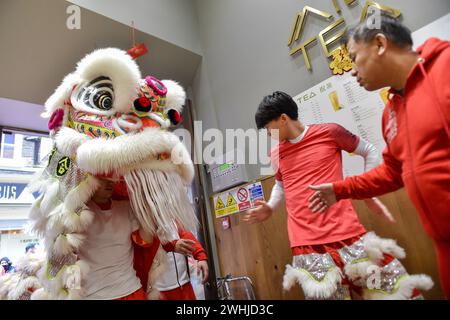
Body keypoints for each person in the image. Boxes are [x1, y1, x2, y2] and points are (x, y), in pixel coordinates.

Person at [308, 13, 450, 298]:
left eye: (354, 57)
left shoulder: (445, 67)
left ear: (380, 44)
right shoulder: (390, 112)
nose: (350, 70)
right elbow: (392, 172)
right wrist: (339, 189)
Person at [245, 91, 432, 300]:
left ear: (283, 119)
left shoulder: (330, 132)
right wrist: (271, 206)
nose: (268, 134)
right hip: (306, 245)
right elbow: (280, 184)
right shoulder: (276, 154)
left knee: (396, 291)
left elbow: (369, 150)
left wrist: (365, 188)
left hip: (348, 234)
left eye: (268, 128)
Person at [149, 225, 209, 300]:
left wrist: (201, 257)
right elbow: (149, 245)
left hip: (184, 285)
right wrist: (172, 245)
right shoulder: (147, 221)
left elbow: (187, 236)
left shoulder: (174, 220)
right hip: (159, 290)